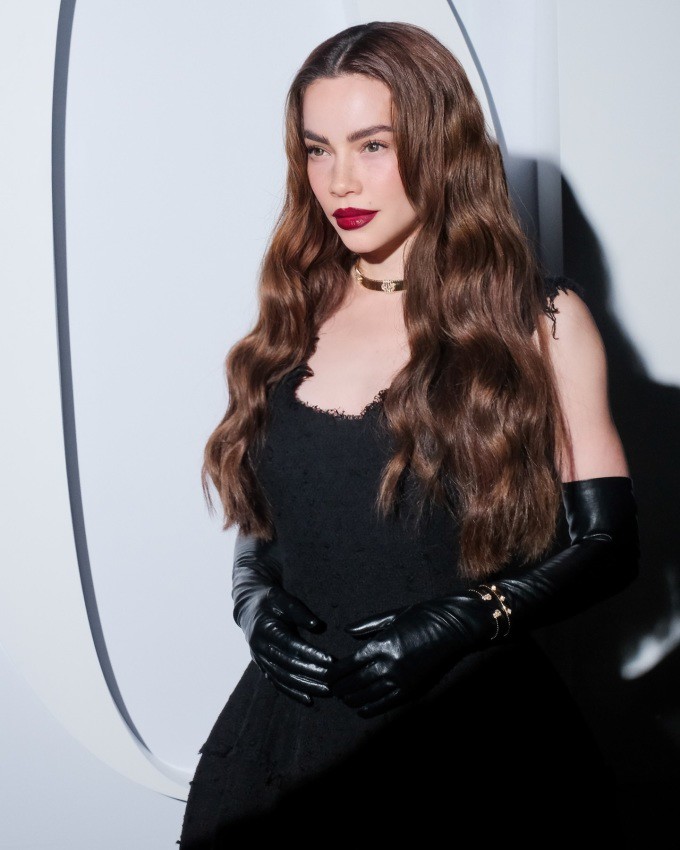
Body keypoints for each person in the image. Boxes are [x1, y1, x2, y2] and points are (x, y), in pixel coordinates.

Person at [178, 20, 639, 848]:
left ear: (439, 144)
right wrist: (253, 601)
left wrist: (465, 619)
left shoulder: (539, 322)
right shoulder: (294, 312)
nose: (339, 180)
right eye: (317, 150)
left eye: (373, 146)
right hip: (292, 738)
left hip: (470, 734)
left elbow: (608, 544)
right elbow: (273, 519)